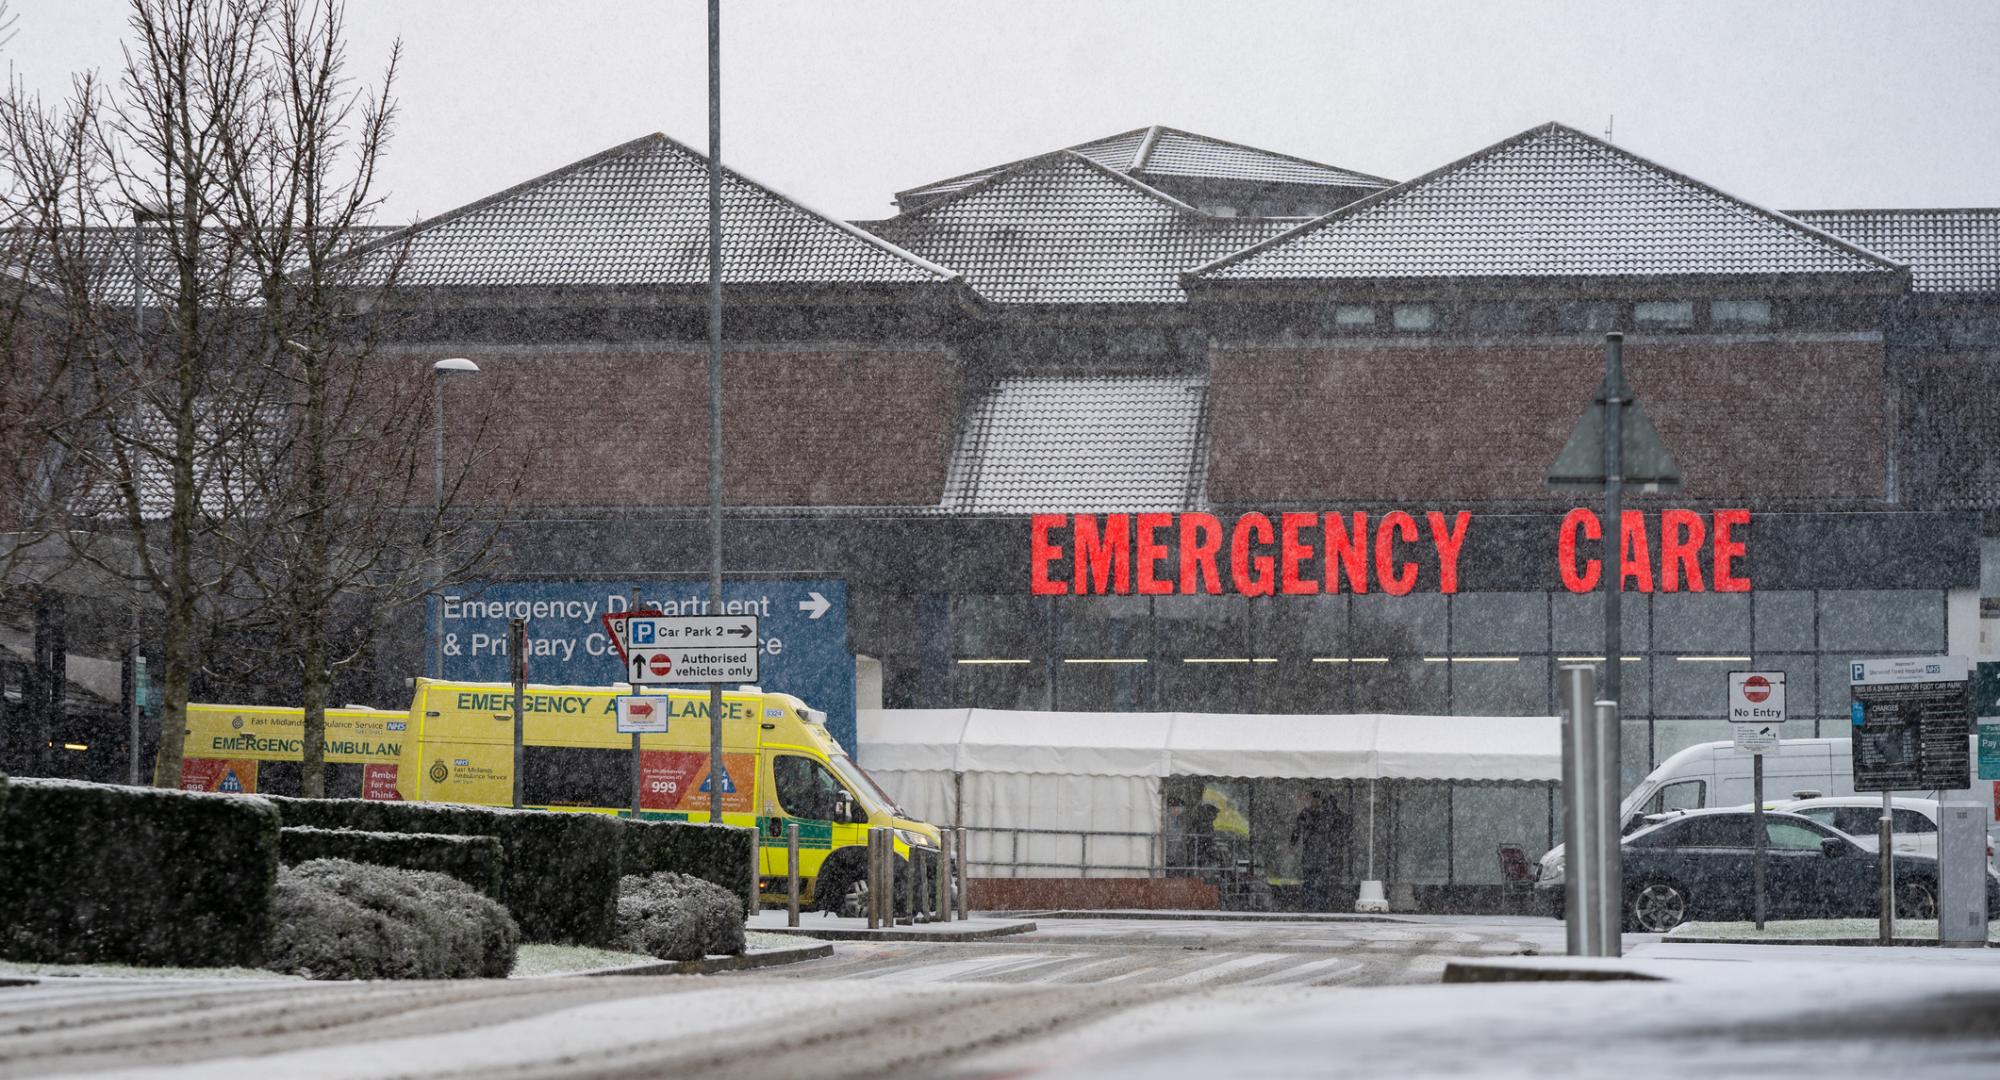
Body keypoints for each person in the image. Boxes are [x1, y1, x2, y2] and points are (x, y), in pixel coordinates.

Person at [1291, 789, 1352, 912]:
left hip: (1321, 854)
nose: (1315, 803)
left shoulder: (1319, 815)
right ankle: (1315, 905)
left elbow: (1298, 830)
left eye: (1317, 800)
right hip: (1317, 854)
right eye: (1314, 800)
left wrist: (1294, 839)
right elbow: (1297, 830)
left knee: (1317, 882)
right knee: (1313, 881)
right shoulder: (1315, 814)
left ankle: (1316, 905)